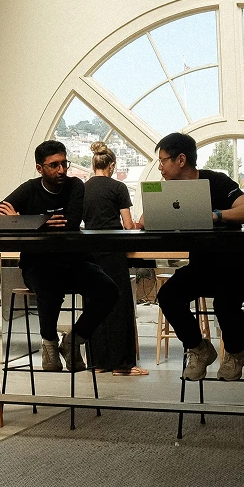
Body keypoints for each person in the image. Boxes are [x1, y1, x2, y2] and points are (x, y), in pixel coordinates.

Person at [0, 140, 118, 371]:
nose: (61, 170)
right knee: (49, 286)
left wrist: (23, 220)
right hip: (38, 264)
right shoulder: (29, 189)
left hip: (74, 262)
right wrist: (31, 222)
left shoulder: (76, 186)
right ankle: (49, 344)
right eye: (54, 165)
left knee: (110, 291)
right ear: (40, 168)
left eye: (64, 163)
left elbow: (70, 222)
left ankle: (74, 340)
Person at [152, 132, 244, 381]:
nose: (160, 167)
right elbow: (147, 219)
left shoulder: (217, 181)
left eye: (163, 160)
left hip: (235, 266)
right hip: (201, 267)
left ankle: (235, 353)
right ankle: (199, 349)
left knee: (224, 301)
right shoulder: (170, 190)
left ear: (181, 160)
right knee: (168, 295)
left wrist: (216, 215)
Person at [83, 142, 147, 376]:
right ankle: (122, 365)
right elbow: (128, 225)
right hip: (113, 251)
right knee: (118, 306)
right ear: (111, 165)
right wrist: (140, 225)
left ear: (93, 165)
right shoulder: (118, 188)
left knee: (94, 305)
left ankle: (98, 362)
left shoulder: (82, 189)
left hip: (89, 254)